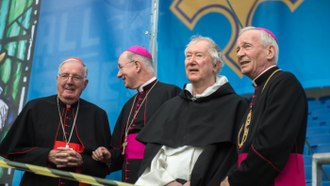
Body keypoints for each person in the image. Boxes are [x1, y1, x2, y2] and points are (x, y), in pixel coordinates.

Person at [134, 36, 248, 186]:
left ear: (216, 65)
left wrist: (195, 181)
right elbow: (152, 155)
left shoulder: (235, 106)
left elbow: (233, 159)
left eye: (199, 56)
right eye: (188, 56)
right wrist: (168, 182)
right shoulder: (171, 106)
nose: (191, 61)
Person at [0, 57, 112, 186]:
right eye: (64, 76)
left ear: (85, 84)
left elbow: (104, 168)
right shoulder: (34, 108)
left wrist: (82, 161)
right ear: (57, 79)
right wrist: (47, 155)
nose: (69, 82)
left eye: (76, 77)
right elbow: (12, 153)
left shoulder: (97, 115)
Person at [220, 27, 308, 186]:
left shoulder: (284, 83)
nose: (239, 54)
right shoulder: (259, 91)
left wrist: (234, 180)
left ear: (270, 52)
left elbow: (271, 147)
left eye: (247, 46)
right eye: (238, 49)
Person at [92, 46, 181, 183]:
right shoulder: (129, 104)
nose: (118, 74)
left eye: (121, 68)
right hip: (130, 177)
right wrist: (109, 155)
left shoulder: (170, 93)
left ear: (137, 65)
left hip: (160, 178)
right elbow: (120, 150)